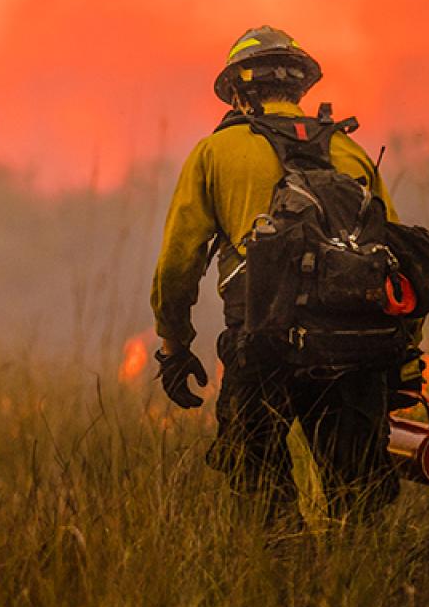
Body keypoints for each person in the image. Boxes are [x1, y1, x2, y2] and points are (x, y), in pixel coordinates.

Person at [150, 27, 405, 522]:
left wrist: (174, 346)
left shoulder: (216, 152)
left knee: (264, 499)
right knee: (359, 504)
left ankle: (282, 567)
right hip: (355, 349)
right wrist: (402, 356)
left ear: (238, 91)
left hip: (263, 345)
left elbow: (178, 264)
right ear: (300, 89)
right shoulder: (350, 151)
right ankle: (358, 570)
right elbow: (396, 257)